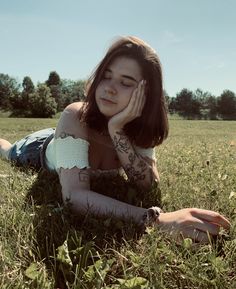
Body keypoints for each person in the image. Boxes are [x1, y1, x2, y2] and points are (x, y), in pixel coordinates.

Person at [0, 36, 230, 243]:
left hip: (71, 136)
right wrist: (156, 221)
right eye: (106, 77)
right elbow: (74, 196)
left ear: (146, 94)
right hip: (38, 148)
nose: (109, 88)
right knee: (7, 151)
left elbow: (148, 184)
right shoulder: (75, 114)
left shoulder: (137, 125)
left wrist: (117, 129)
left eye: (126, 82)